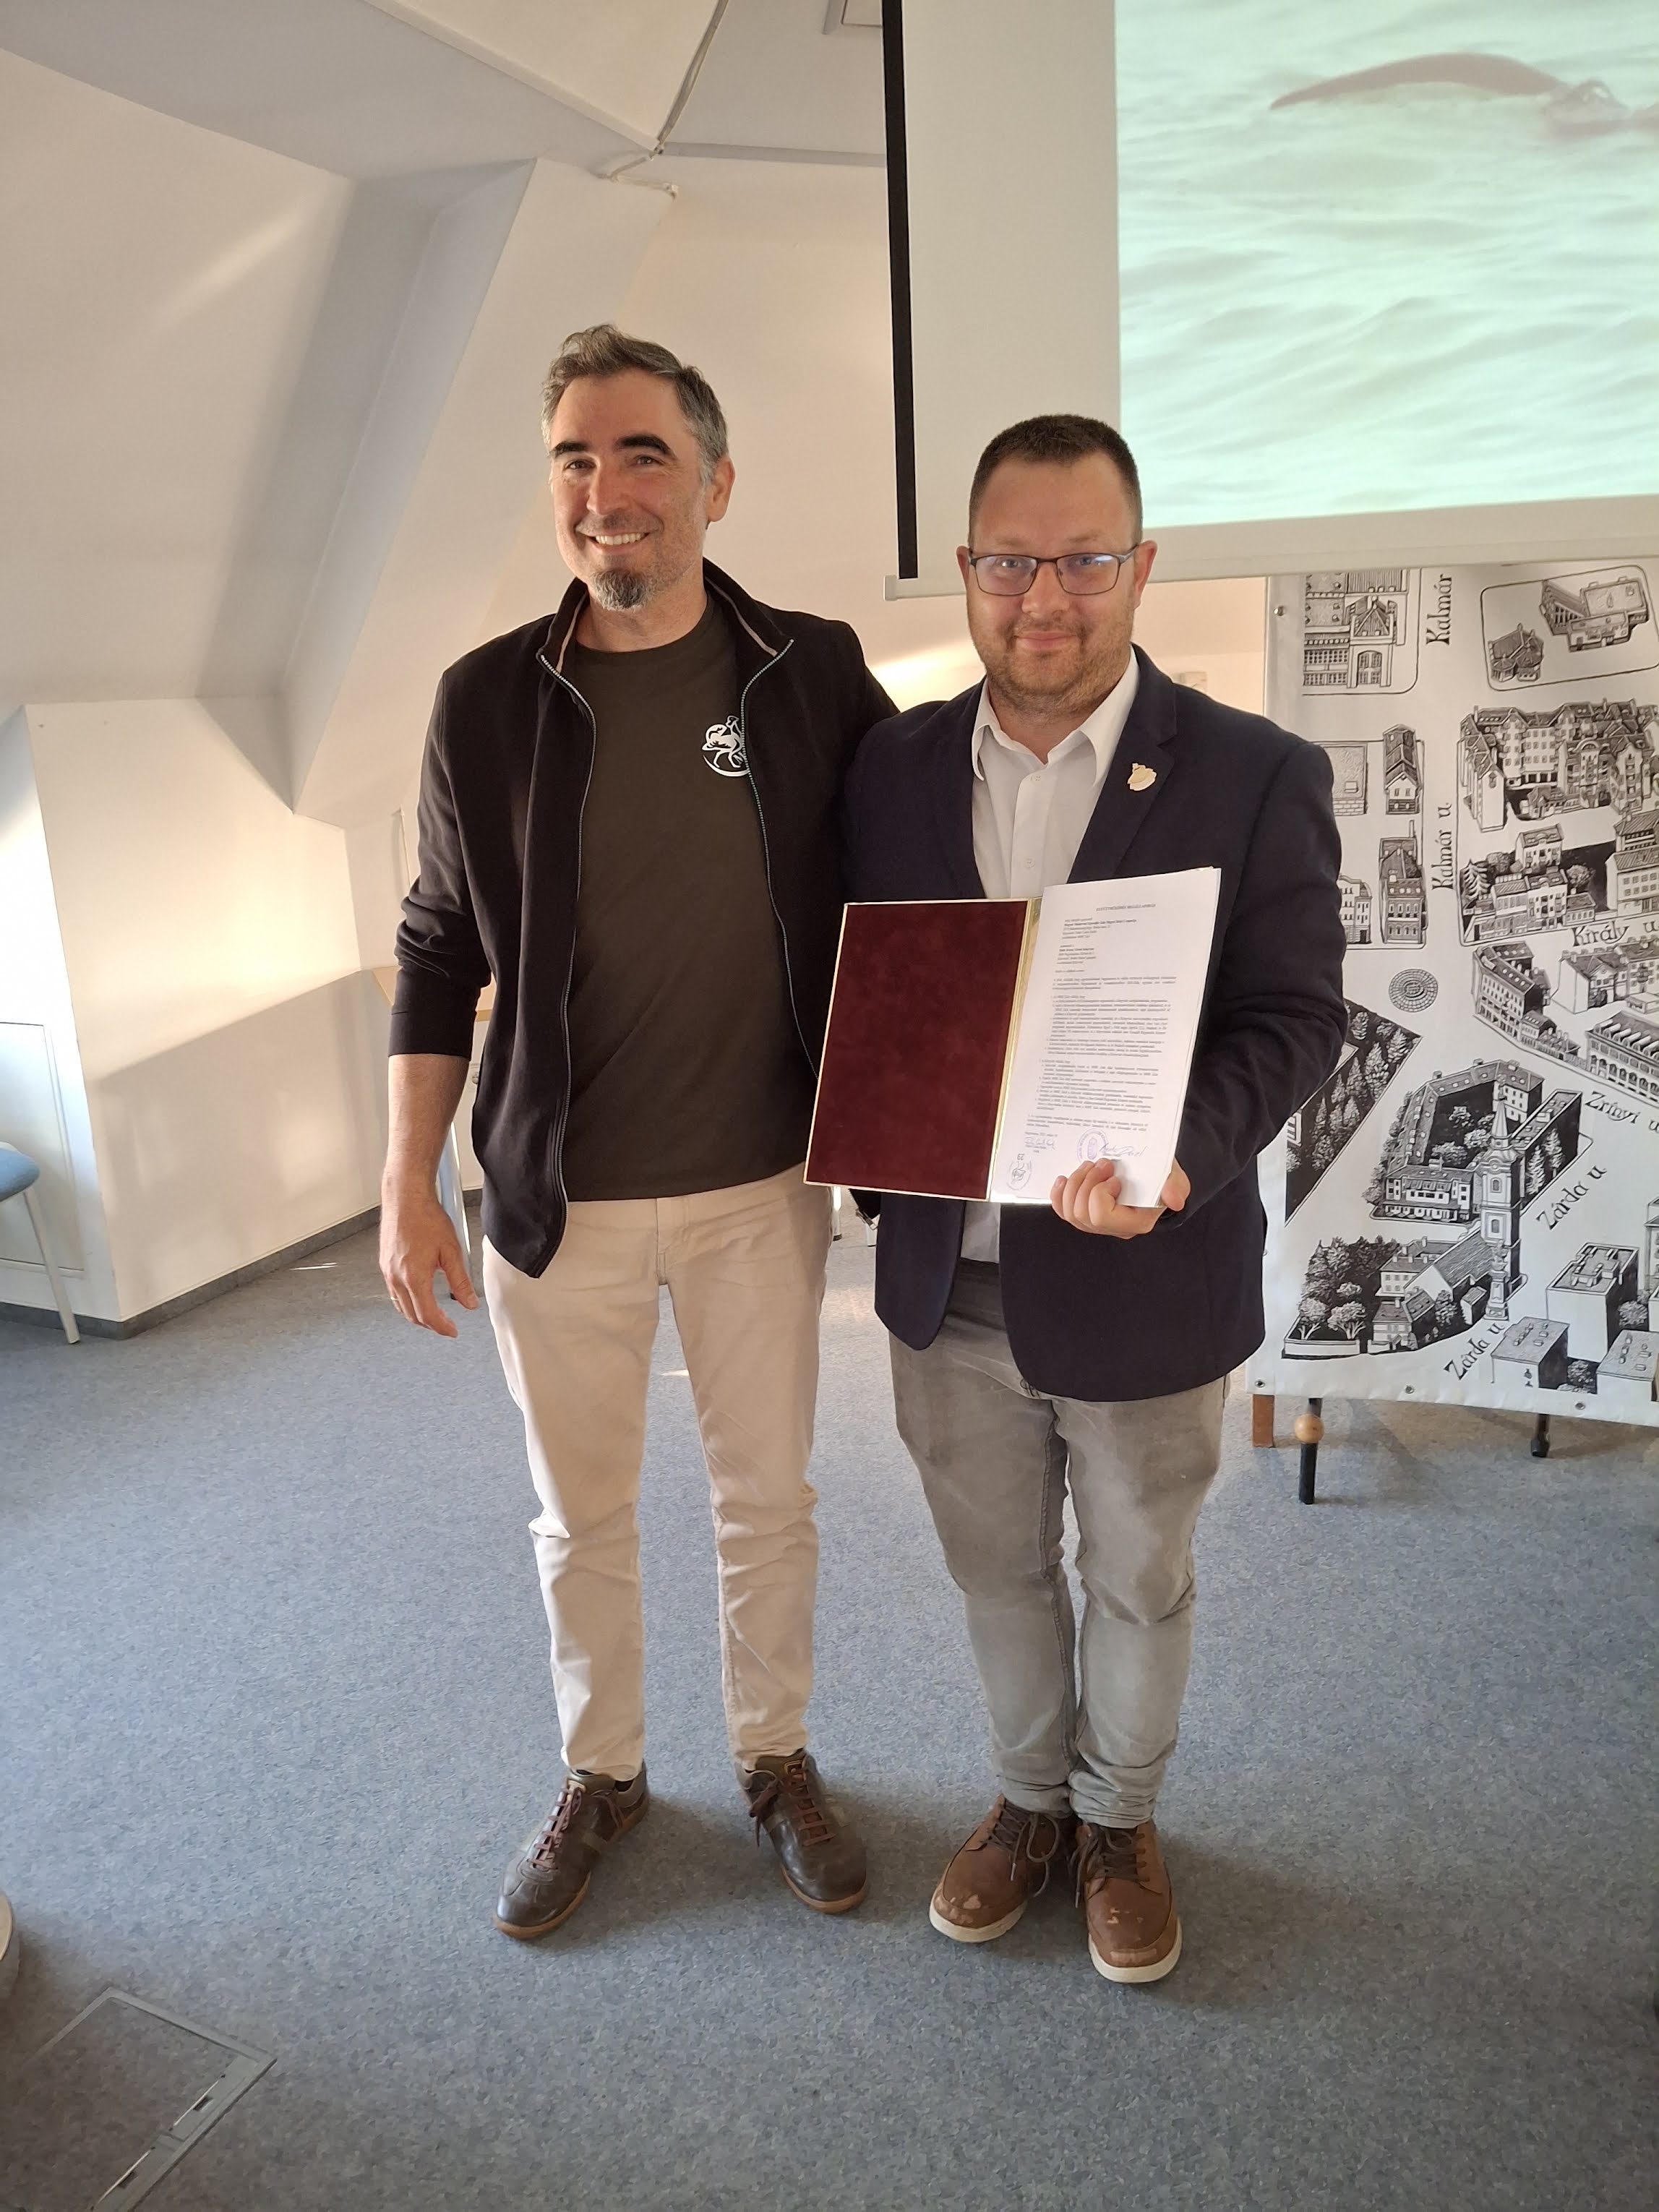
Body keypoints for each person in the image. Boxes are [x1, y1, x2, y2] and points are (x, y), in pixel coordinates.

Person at [381, 325, 891, 1937]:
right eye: (575, 459)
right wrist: (405, 1178)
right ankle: (600, 1773)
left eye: (643, 454)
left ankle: (775, 1758)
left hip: (761, 1184)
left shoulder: (809, 672)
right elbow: (435, 945)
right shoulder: (485, 702)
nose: (606, 490)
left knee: (769, 1501)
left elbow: (912, 876)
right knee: (578, 1514)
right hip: (556, 1196)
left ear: (716, 483)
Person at [843, 413, 1345, 1982]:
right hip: (948, 1281)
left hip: (1145, 1276)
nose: (1042, 598)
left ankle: (1120, 1820)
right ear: (964, 570)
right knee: (992, 1571)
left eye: (1081, 561)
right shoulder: (893, 767)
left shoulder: (1254, 773)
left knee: (1136, 1576)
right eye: (1008, 563)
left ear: (1140, 567)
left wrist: (1178, 1159)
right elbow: (862, 989)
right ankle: (1028, 1804)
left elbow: (1294, 1018)